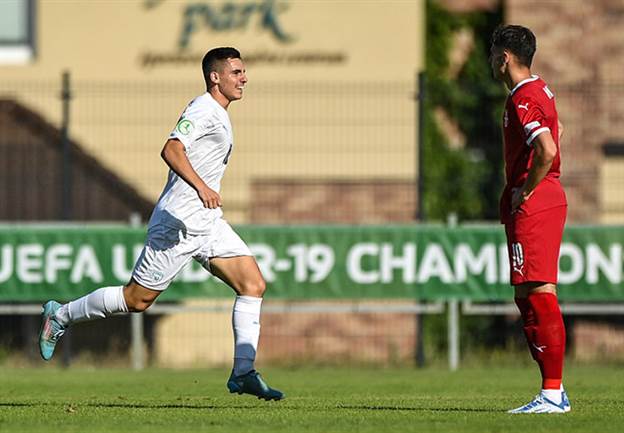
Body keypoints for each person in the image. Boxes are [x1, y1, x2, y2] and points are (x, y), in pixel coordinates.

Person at [38, 47, 284, 401]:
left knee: (253, 284)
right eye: (236, 72)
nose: (243, 78)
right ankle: (59, 316)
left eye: (243, 72)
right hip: (178, 223)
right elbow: (171, 149)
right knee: (136, 300)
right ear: (215, 77)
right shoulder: (203, 109)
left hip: (208, 222)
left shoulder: (219, 113)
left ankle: (243, 372)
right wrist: (202, 187)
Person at [490, 25, 570, 414]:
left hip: (536, 200)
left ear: (503, 57)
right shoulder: (541, 90)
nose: (491, 62)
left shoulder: (523, 98)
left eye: (493, 54)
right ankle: (553, 391)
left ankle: (552, 394)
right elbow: (559, 132)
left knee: (539, 293)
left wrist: (527, 190)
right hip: (541, 197)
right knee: (526, 294)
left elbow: (548, 148)